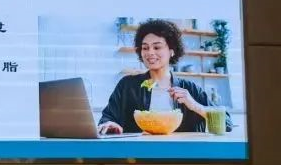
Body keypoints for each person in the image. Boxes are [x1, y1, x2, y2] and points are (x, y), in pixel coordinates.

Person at [98, 18, 230, 135]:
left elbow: (227, 123)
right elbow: (107, 119)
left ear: (172, 51)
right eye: (145, 48)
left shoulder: (189, 89)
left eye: (157, 47)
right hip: (139, 153)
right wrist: (110, 124)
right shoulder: (127, 85)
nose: (150, 52)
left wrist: (194, 105)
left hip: (181, 153)